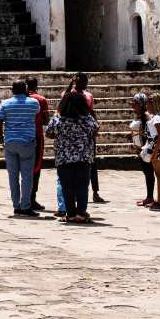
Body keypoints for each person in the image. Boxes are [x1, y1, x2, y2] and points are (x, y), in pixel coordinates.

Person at [50, 90, 98, 223]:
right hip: (83, 158)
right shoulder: (87, 119)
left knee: (67, 187)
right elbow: (95, 131)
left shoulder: (58, 119)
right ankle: (81, 213)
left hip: (64, 159)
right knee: (82, 187)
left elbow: (49, 133)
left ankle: (70, 214)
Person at [0, 80, 42, 216]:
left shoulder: (5, 103)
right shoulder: (34, 103)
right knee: (27, 176)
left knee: (13, 176)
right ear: (26, 89)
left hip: (10, 142)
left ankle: (16, 205)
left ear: (12, 90)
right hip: (27, 142)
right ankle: (26, 205)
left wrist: (2, 139)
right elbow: (37, 113)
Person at [65, 72, 106, 204]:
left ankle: (95, 191)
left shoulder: (88, 95)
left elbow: (91, 112)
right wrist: (70, 84)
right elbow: (63, 103)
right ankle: (76, 193)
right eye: (82, 81)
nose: (84, 84)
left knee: (92, 164)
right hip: (73, 130)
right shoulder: (69, 94)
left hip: (86, 131)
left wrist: (95, 126)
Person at [26, 76, 51, 212]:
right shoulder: (40, 100)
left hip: (21, 136)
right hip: (36, 135)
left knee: (23, 168)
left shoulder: (19, 99)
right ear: (36, 85)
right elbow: (46, 121)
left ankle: (23, 197)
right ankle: (31, 198)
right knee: (36, 167)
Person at [131, 92, 155, 206]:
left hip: (145, 150)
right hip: (140, 150)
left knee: (149, 173)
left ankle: (150, 197)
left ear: (141, 104)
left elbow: (151, 134)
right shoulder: (139, 116)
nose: (132, 104)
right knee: (147, 173)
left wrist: (144, 148)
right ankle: (149, 196)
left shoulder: (145, 117)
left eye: (135, 102)